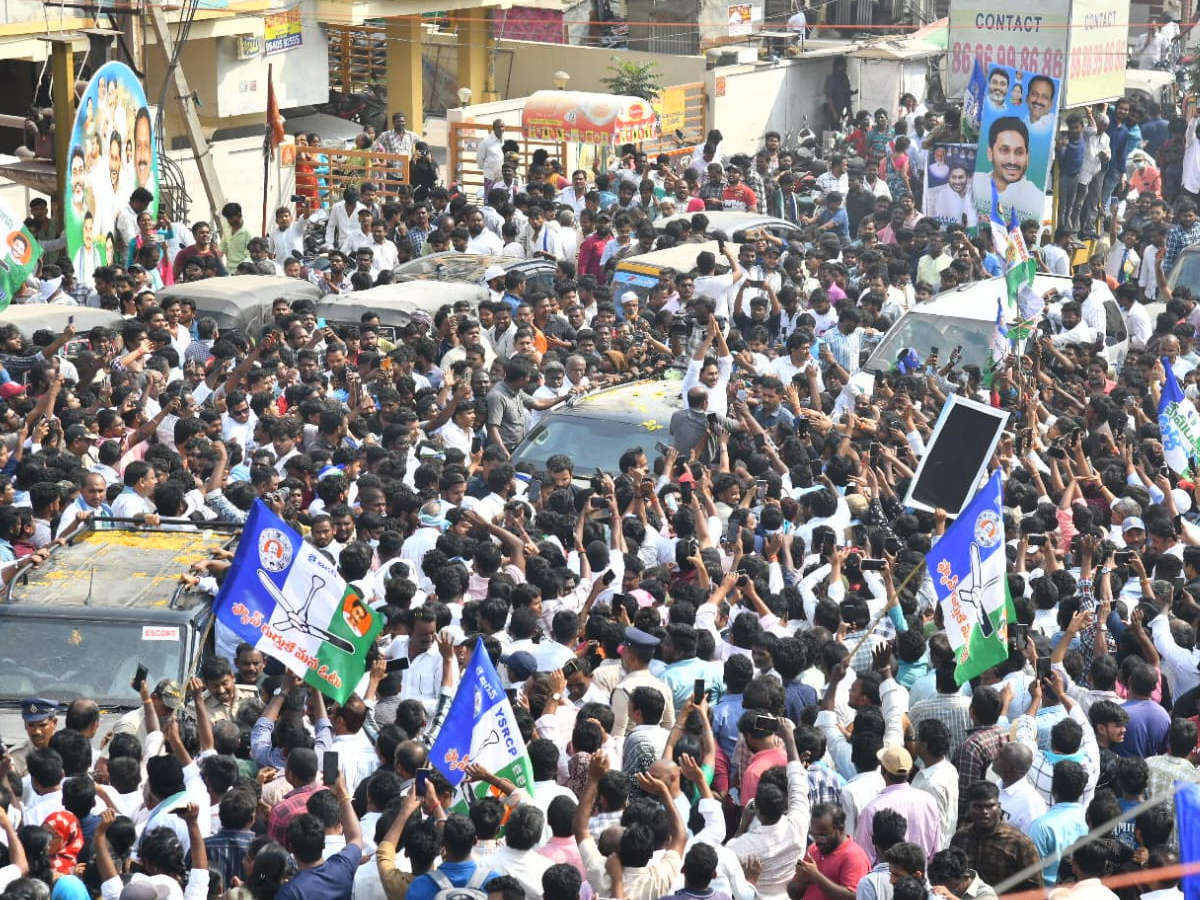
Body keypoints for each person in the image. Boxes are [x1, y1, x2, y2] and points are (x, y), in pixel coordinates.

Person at [972, 117, 1045, 224]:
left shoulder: (1035, 198)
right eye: (1004, 150)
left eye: (1019, 152)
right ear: (990, 153)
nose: (1012, 161)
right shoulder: (973, 183)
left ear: (1027, 157)